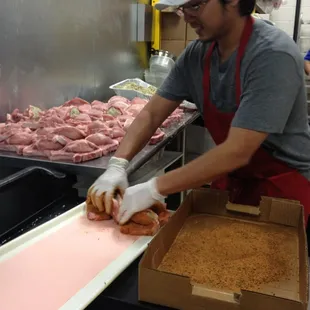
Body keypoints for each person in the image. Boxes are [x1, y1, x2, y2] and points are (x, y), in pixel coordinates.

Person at [88, 0, 310, 226]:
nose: (186, 16)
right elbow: (151, 114)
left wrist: (154, 188)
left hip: (282, 188)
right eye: (181, 8)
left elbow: (238, 151)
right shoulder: (197, 54)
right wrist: (117, 165)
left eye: (194, 6)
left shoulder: (273, 55)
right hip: (234, 180)